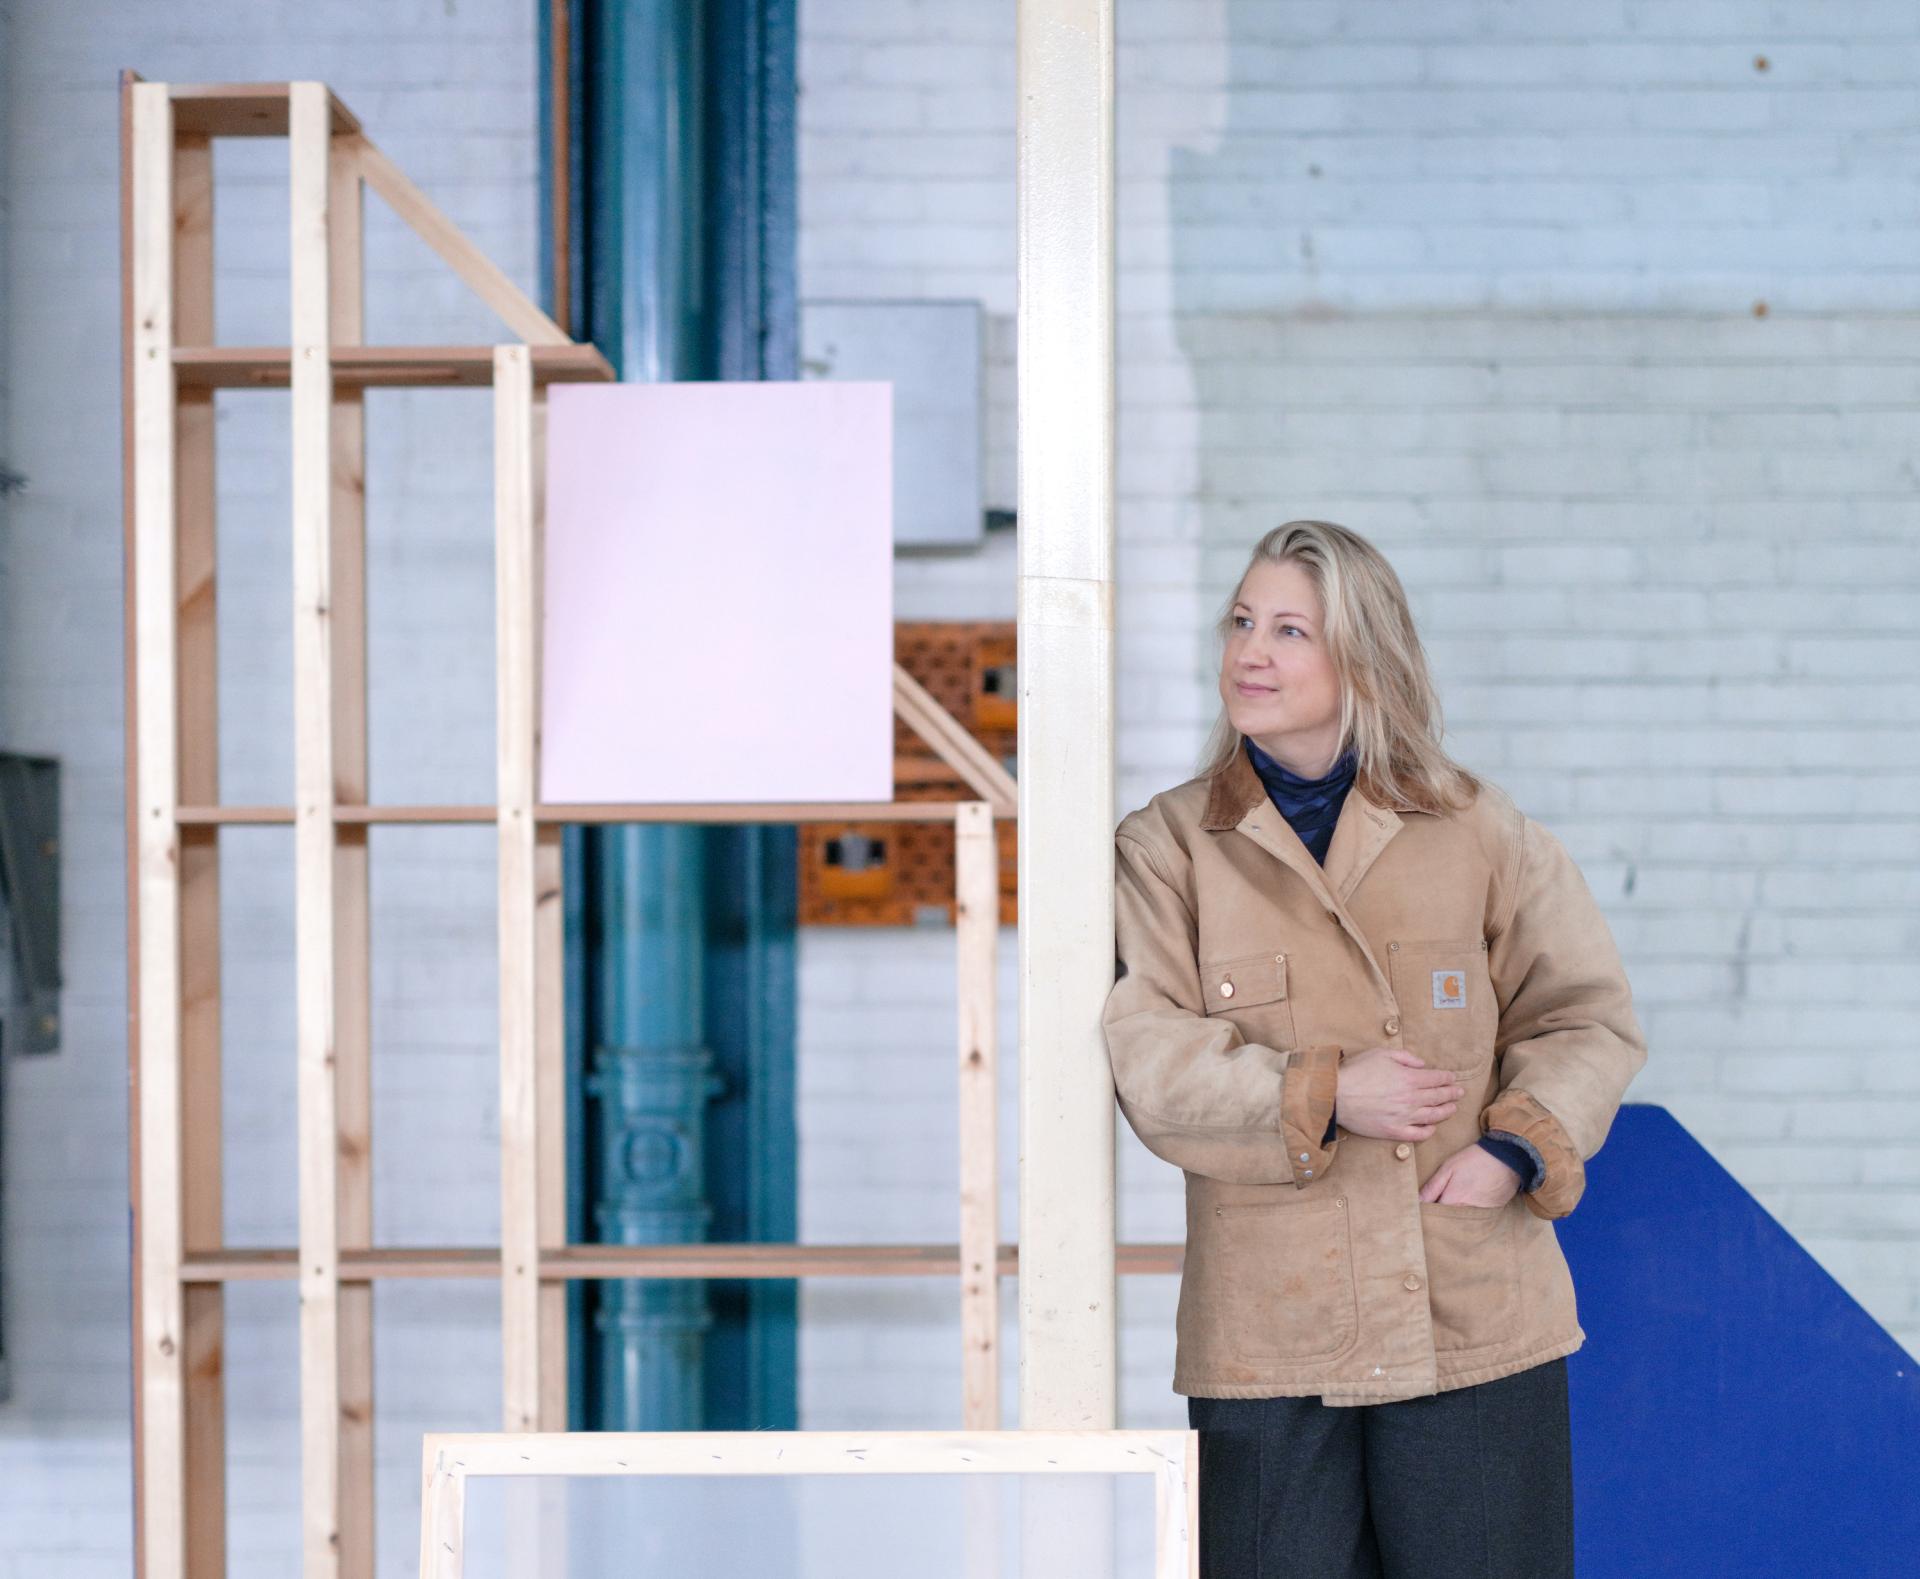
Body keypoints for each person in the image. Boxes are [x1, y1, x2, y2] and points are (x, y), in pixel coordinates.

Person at [1102, 520, 1647, 1579]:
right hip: (1269, 1329)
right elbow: (1150, 1057)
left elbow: (1586, 1014)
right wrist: (1325, 1090)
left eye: (1290, 630)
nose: (1250, 652)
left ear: (1364, 654)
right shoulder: (1167, 848)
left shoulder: (1477, 829)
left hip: (1471, 1310)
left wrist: (1514, 1151)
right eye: (1242, 622)